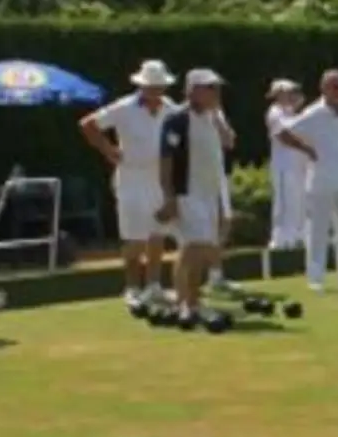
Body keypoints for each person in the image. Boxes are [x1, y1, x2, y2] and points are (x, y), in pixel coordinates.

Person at [81, 59, 178, 312]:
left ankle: (154, 286)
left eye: (160, 87)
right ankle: (132, 288)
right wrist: (108, 150)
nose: (156, 91)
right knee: (134, 239)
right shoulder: (124, 108)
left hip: (159, 178)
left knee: (157, 235)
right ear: (142, 86)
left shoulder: (170, 109)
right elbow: (88, 124)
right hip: (130, 178)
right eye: (151, 87)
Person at [277, 69, 338, 292]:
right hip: (320, 180)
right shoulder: (313, 113)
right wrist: (307, 149)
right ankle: (315, 277)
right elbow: (282, 133)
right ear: (323, 89)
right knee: (318, 230)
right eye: (334, 86)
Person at [156, 69, 231, 327]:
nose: (215, 93)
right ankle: (183, 303)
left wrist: (218, 116)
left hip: (209, 193)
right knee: (192, 246)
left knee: (200, 250)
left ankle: (193, 301)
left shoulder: (214, 117)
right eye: (210, 88)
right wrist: (169, 197)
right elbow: (165, 161)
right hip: (186, 192)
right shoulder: (176, 120)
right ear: (193, 91)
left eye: (216, 88)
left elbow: (229, 141)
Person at [265, 79, 308, 251]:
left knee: (299, 201)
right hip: (284, 166)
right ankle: (280, 240)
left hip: (298, 165)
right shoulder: (274, 112)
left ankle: (298, 237)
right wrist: (306, 147)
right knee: (284, 203)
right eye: (290, 92)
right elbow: (284, 136)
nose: (294, 95)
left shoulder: (293, 113)